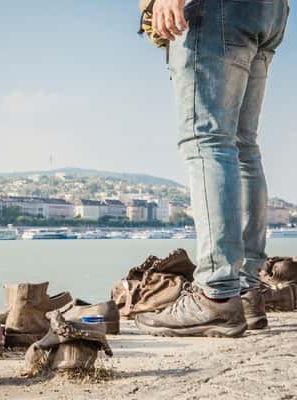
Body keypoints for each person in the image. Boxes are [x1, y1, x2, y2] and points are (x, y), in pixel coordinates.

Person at [136, 0, 290, 337]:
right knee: (242, 145)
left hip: (216, 10)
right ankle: (246, 291)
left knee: (207, 142)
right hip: (268, 11)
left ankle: (216, 294)